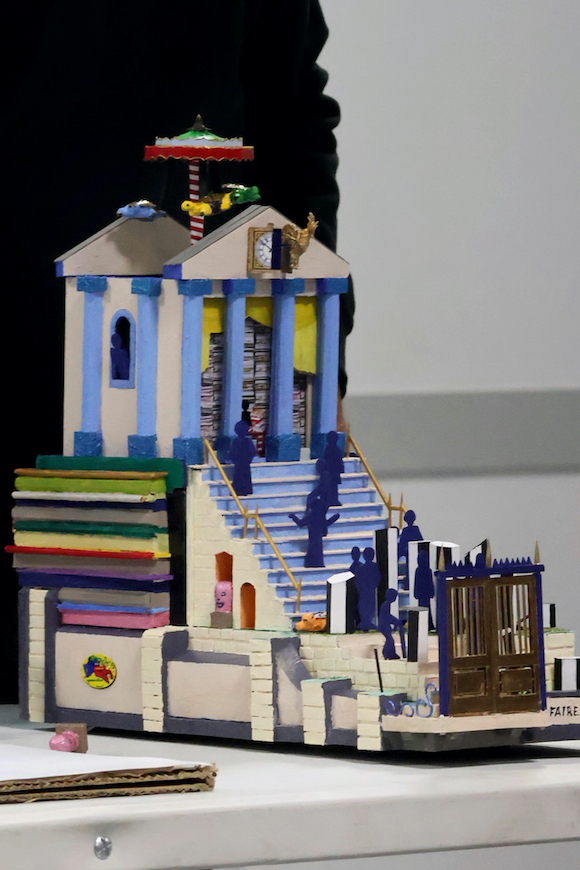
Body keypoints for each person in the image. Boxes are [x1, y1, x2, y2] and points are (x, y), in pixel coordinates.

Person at [1, 1, 353, 703]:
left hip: (177, 403)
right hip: (74, 345)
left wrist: (318, 374)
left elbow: (288, 128)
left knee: (141, 681)